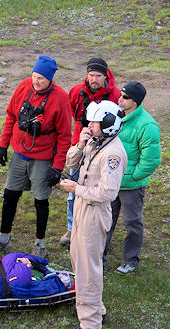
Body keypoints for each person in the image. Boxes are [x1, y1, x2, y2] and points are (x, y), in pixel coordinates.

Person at [0, 55, 72, 258]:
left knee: (41, 200)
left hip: (43, 157)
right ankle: (2, 238)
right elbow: (11, 116)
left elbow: (65, 136)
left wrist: (57, 167)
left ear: (50, 79)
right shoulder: (24, 87)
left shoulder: (60, 99)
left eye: (40, 78)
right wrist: (3, 146)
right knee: (10, 195)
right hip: (19, 153)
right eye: (34, 76)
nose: (36, 81)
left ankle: (39, 243)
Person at [59, 100, 128, 329]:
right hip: (82, 207)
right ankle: (94, 308)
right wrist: (80, 143)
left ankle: (90, 325)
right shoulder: (95, 142)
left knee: (88, 267)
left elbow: (108, 193)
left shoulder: (113, 153)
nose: (90, 125)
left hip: (94, 210)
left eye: (95, 122)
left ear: (108, 124)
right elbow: (71, 162)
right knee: (79, 260)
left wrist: (77, 189)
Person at [60, 57, 121, 248]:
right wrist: (80, 141)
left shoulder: (115, 95)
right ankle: (73, 228)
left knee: (98, 190)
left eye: (98, 76)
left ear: (105, 76)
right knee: (73, 192)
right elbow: (73, 113)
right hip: (81, 144)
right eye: (91, 75)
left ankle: (99, 229)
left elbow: (118, 122)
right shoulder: (76, 91)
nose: (94, 79)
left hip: (102, 149)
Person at [104, 81, 161, 274]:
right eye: (120, 95)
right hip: (111, 181)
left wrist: (132, 177)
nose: (119, 99)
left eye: (125, 97)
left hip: (131, 185)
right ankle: (99, 255)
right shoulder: (116, 116)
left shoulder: (147, 125)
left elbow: (151, 160)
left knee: (132, 223)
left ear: (135, 102)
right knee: (105, 220)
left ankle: (131, 260)